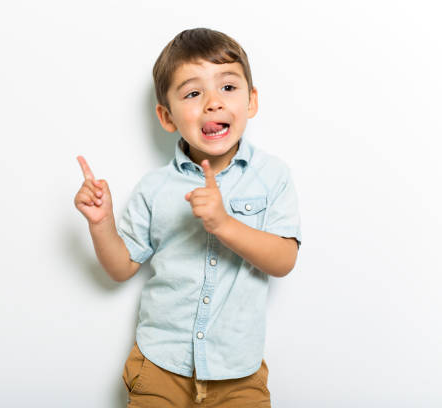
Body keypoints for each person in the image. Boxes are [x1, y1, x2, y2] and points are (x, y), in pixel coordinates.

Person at [74, 27, 302, 407]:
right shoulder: (154, 187)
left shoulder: (272, 176)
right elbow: (121, 268)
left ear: (252, 101)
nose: (213, 102)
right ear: (166, 116)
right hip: (161, 365)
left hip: (238, 374)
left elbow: (284, 260)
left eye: (228, 87)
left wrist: (224, 224)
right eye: (194, 93)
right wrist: (101, 224)